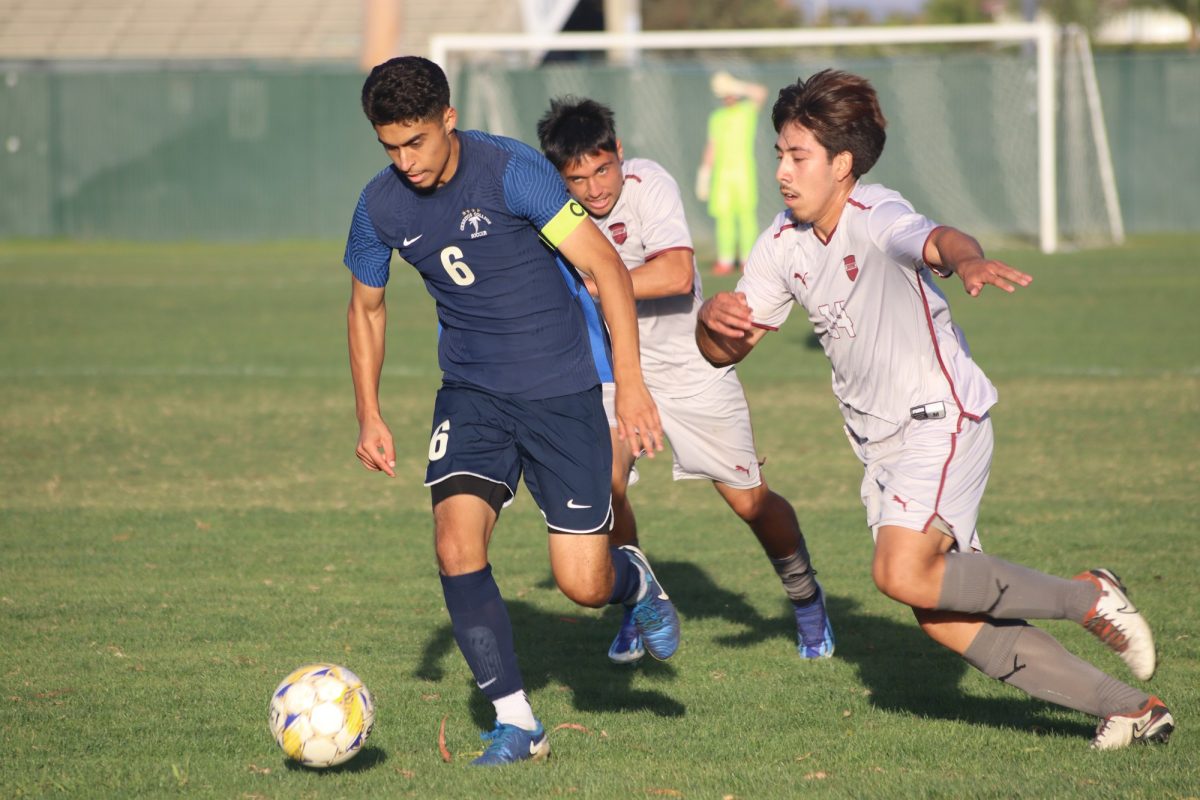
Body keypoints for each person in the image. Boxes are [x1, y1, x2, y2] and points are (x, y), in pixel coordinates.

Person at [695, 69, 1173, 751]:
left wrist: (969, 260)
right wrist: (711, 321)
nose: (782, 170)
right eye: (779, 153)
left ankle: (1087, 595)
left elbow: (935, 238)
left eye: (797, 156)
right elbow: (723, 352)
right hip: (879, 445)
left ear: (842, 165)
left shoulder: (875, 212)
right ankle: (1130, 707)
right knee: (941, 614)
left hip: (938, 416)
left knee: (898, 571)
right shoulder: (779, 243)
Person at [343, 56, 681, 767]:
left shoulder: (511, 171)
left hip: (561, 393)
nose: (405, 162)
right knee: (455, 543)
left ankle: (634, 581)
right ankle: (516, 720)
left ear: (448, 120)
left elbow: (604, 267)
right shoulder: (380, 207)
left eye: (417, 143)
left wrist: (631, 380)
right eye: (390, 147)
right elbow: (366, 308)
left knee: (582, 584)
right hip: (472, 394)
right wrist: (368, 412)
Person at [536, 96, 834, 665]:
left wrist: (596, 284)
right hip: (608, 374)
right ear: (560, 177)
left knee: (749, 503)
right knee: (606, 490)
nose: (596, 190)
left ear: (619, 153)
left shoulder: (650, 185)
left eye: (604, 170)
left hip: (690, 368)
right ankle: (638, 603)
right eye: (579, 179)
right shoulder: (552, 210)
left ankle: (805, 596)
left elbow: (675, 273)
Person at [696, 71, 768, 276]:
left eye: (730, 92)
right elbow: (712, 146)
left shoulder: (746, 111)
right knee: (723, 218)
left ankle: (748, 258)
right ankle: (725, 259)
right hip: (722, 176)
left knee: (746, 217)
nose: (728, 96)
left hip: (744, 173)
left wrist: (736, 85)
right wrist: (704, 174)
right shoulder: (717, 117)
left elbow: (761, 93)